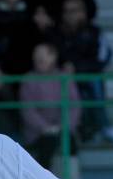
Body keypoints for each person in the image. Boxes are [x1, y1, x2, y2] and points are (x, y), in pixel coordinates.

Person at [49, 0, 113, 143]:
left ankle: (103, 126)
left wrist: (76, 67)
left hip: (87, 76)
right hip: (63, 78)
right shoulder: (57, 33)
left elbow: (102, 59)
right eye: (66, 11)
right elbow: (51, 56)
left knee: (93, 82)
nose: (69, 15)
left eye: (73, 10)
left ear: (83, 12)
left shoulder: (95, 32)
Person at [19, 42, 80, 170]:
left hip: (63, 129)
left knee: (70, 143)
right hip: (38, 133)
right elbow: (27, 110)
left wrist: (64, 126)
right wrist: (45, 127)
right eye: (36, 55)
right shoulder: (28, 80)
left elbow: (74, 105)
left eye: (43, 55)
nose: (39, 58)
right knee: (47, 144)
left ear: (53, 57)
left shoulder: (64, 77)